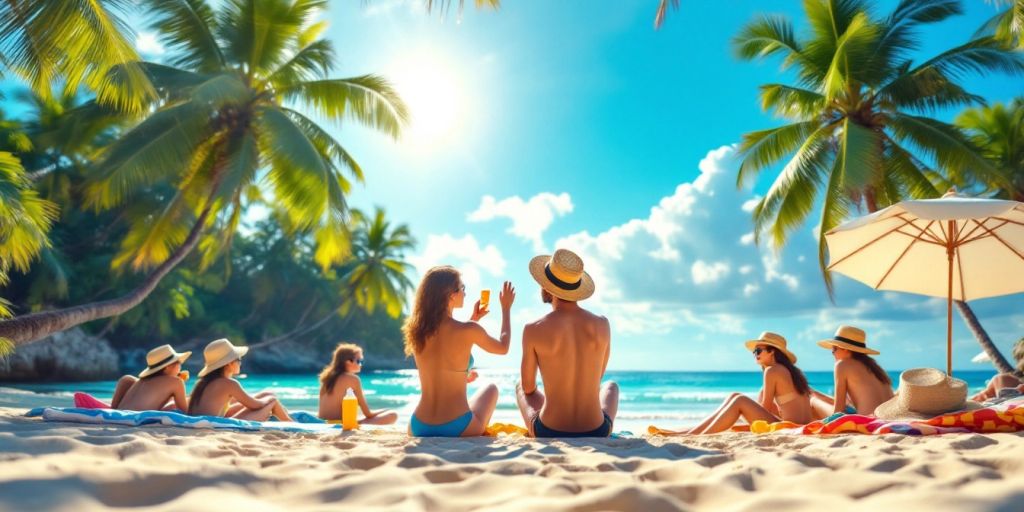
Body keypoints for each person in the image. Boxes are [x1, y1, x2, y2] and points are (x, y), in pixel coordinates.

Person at [515, 248, 619, 438]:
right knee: (611, 386)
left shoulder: (533, 329)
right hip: (597, 430)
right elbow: (598, 377)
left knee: (520, 386)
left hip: (548, 430)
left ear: (546, 287)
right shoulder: (602, 324)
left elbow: (529, 387)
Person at [403, 266, 515, 437]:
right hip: (457, 426)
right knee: (491, 388)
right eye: (462, 288)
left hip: (418, 426)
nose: (465, 293)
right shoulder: (468, 330)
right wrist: (506, 309)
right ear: (450, 295)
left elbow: (444, 356)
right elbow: (503, 347)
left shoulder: (418, 331)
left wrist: (474, 319)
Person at [666, 332, 813, 435]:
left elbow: (766, 409)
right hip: (797, 426)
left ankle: (695, 434)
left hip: (791, 429)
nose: (755, 354)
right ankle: (692, 433)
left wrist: (743, 418)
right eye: (754, 352)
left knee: (739, 400)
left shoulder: (772, 371)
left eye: (758, 350)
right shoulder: (791, 371)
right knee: (735, 395)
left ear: (772, 352)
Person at [187, 338, 294, 421]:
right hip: (215, 427)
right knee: (272, 401)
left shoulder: (204, 382)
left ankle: (286, 418)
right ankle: (292, 425)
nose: (240, 362)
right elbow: (255, 405)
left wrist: (266, 397)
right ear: (229, 363)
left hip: (207, 423)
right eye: (238, 359)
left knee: (267, 394)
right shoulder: (229, 383)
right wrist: (269, 399)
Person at [811, 326, 894, 416]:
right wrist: (816, 393)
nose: (832, 353)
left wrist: (814, 398)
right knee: (816, 398)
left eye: (834, 349)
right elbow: (848, 404)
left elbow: (838, 411)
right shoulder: (874, 367)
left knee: (813, 402)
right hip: (889, 419)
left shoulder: (842, 365)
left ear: (845, 348)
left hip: (868, 421)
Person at [317, 342, 398, 424]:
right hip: (340, 424)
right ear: (348, 362)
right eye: (359, 361)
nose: (361, 364)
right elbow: (368, 414)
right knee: (393, 415)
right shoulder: (353, 379)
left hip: (323, 422)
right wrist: (386, 409)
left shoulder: (326, 378)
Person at [110, 344, 191, 411]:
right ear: (168, 367)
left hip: (119, 415)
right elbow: (185, 410)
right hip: (135, 418)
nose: (180, 366)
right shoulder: (176, 381)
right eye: (178, 363)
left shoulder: (141, 382)